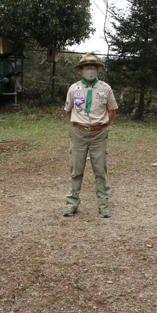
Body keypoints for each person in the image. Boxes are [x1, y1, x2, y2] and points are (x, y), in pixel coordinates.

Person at [63, 53, 118, 218]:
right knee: (76, 170)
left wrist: (101, 127)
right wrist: (80, 124)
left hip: (99, 134)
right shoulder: (73, 89)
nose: (90, 70)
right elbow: (69, 111)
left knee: (100, 170)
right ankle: (72, 203)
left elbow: (111, 110)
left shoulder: (105, 88)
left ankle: (103, 205)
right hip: (78, 133)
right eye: (86, 67)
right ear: (80, 71)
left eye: (93, 67)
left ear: (98, 70)